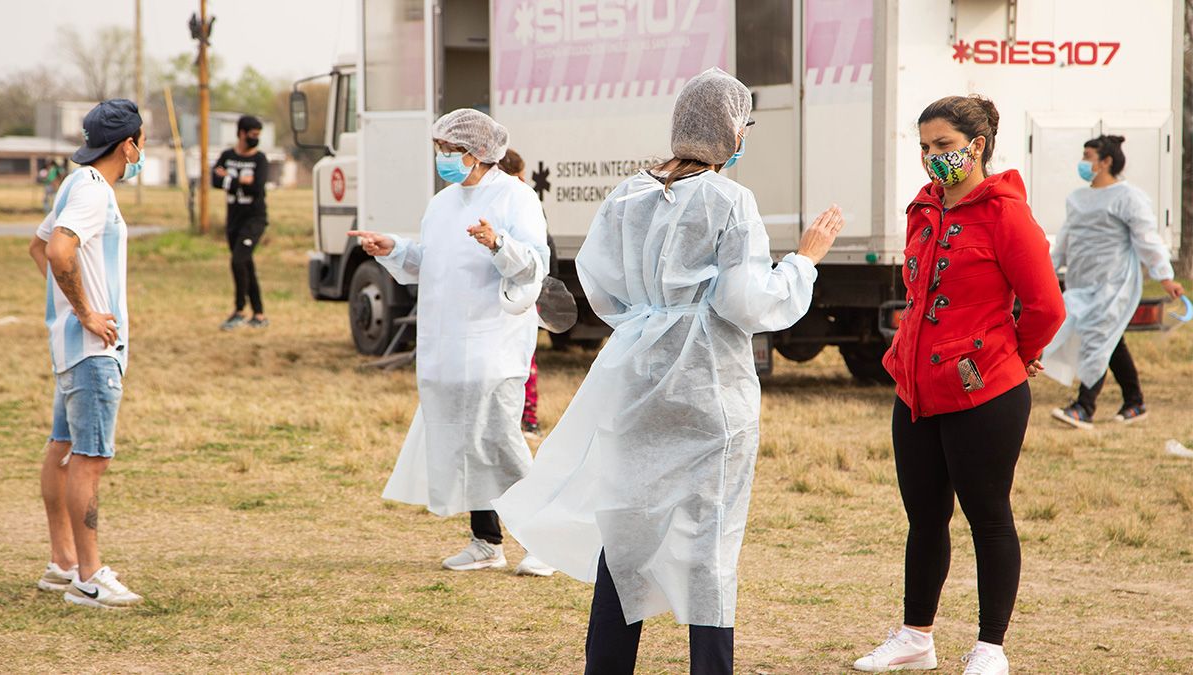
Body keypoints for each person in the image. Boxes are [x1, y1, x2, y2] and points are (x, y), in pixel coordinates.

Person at [492, 68, 845, 674]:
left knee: (626, 534)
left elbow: (600, 288)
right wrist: (804, 263)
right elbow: (746, 301)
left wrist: (648, 321)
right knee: (709, 543)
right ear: (731, 129)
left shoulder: (627, 194)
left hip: (633, 378)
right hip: (708, 385)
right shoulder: (730, 200)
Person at [854, 95, 1065, 675]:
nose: (931, 158)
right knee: (924, 518)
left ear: (976, 146)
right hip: (916, 389)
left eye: (943, 146)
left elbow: (1046, 305)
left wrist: (1017, 356)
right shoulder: (923, 208)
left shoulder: (1005, 214)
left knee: (988, 516)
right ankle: (915, 637)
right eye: (924, 147)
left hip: (985, 393)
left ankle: (990, 648)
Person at [348, 109, 555, 577]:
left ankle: (543, 538)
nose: (443, 158)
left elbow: (533, 267)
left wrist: (497, 243)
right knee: (463, 443)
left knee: (500, 441)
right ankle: (485, 541)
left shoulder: (516, 198)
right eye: (439, 149)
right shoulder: (442, 204)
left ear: (479, 153)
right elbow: (432, 261)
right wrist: (394, 250)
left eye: (450, 150)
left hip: (493, 343)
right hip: (445, 344)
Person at [26, 99, 147, 609]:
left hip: (70, 351)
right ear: (128, 146)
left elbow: (39, 246)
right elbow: (57, 251)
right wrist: (86, 313)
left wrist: (68, 308)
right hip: (94, 352)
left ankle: (63, 563)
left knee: (61, 449)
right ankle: (90, 576)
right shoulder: (95, 192)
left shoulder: (75, 184)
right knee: (89, 459)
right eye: (141, 142)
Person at [1042, 135, 1184, 429]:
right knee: (1109, 340)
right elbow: (1066, 241)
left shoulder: (1128, 198)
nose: (1083, 162)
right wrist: (1045, 272)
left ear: (1106, 161)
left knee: (1096, 340)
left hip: (1114, 285)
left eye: (1088, 156)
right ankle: (1135, 402)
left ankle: (1084, 407)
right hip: (1081, 284)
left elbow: (1146, 238)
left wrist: (1165, 276)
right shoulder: (1077, 199)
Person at [497, 148, 556, 440]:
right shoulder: (515, 199)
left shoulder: (519, 200)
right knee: (523, 360)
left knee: (524, 360)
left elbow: (543, 251)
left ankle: (527, 419)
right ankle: (523, 418)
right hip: (525, 293)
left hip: (524, 293)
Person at [212, 115, 270, 330]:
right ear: (242, 133)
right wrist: (239, 181)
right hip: (233, 221)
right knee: (246, 264)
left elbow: (257, 187)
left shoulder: (260, 159)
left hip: (254, 219)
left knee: (238, 261)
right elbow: (214, 180)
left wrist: (228, 179)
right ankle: (260, 314)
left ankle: (239, 310)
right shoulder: (227, 155)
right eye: (253, 135)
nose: (256, 139)